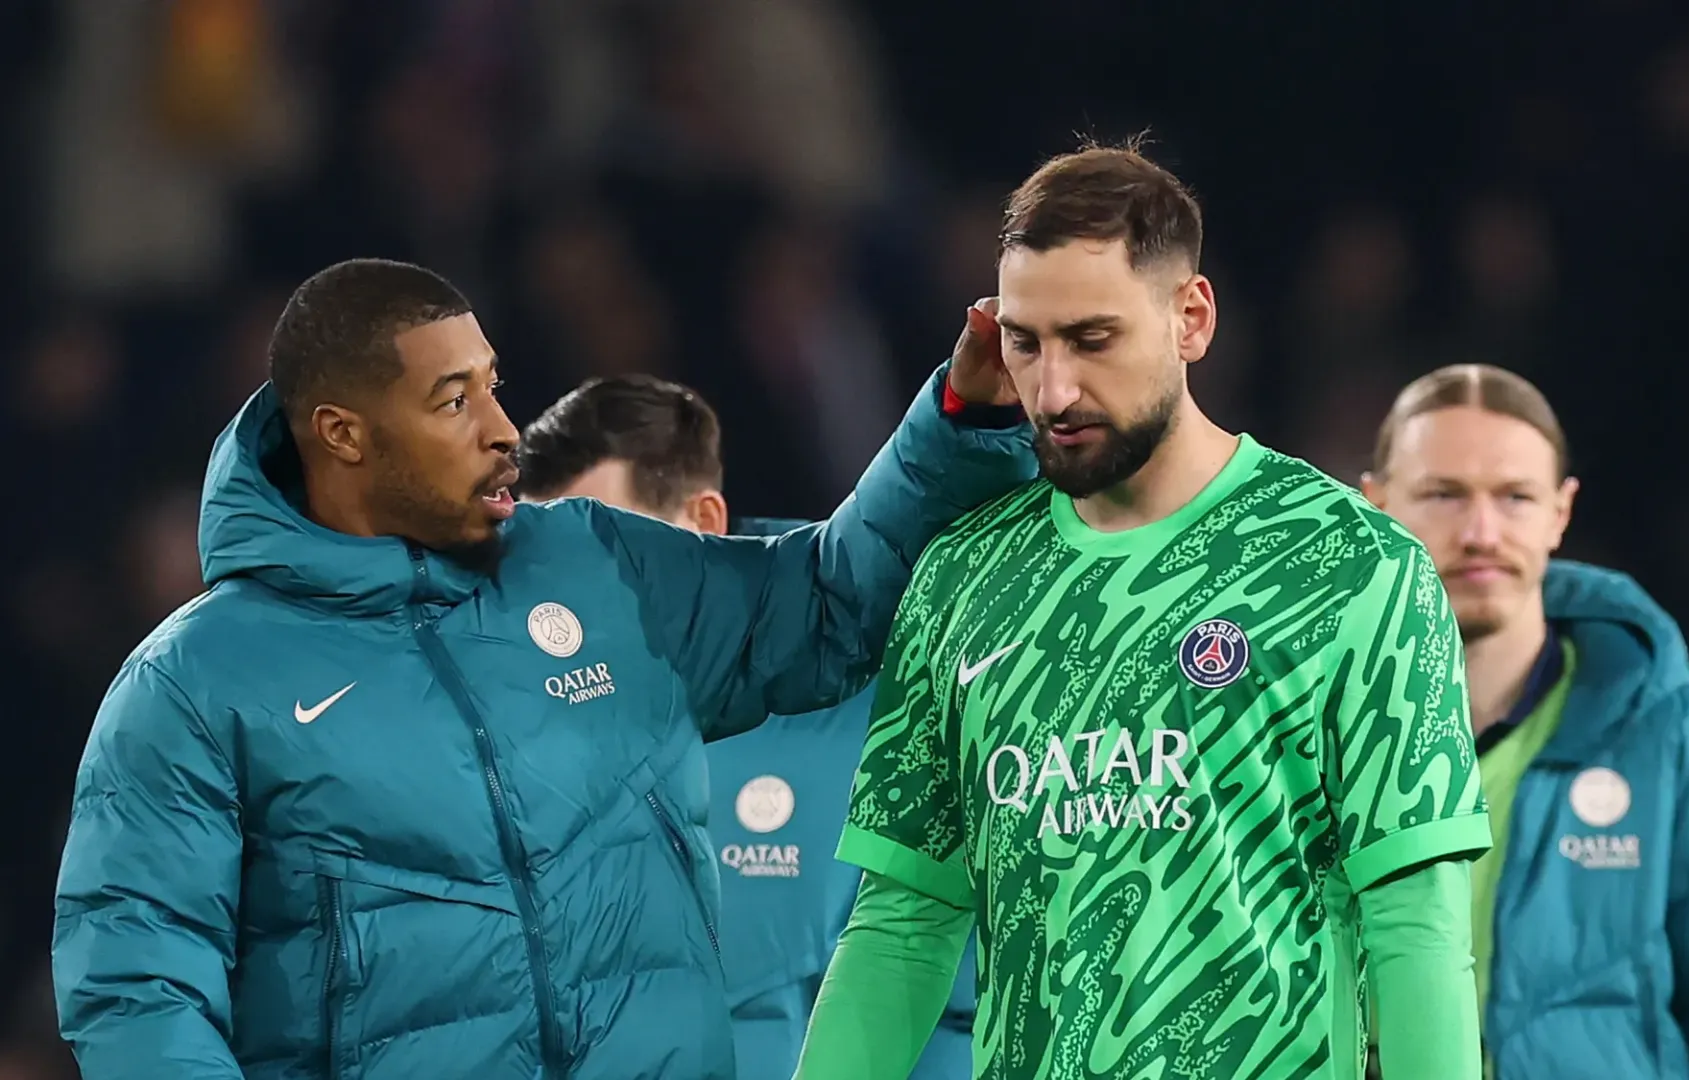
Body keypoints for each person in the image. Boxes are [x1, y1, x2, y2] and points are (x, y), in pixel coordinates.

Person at [50, 257, 1035, 1080]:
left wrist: (959, 421)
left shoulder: (595, 567)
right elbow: (138, 988)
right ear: (342, 434)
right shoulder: (194, 683)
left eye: (492, 385)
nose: (501, 429)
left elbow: (823, 603)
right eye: (452, 399)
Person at [793, 141, 1491, 1080]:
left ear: (1191, 319)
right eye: (1025, 342)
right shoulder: (961, 578)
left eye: (1092, 339)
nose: (1054, 390)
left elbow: (1415, 927)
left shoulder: (1351, 566)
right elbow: (902, 929)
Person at [1360, 363, 1689, 1079]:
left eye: (1515, 497)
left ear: (1562, 511)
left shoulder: (1687, 751)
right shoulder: (1299, 737)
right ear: (1374, 504)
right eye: (1442, 494)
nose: (1481, 530)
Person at [514, 372, 977, 1080]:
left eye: (607, 552)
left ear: (703, 525)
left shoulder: (883, 683)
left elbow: (953, 1003)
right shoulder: (509, 727)